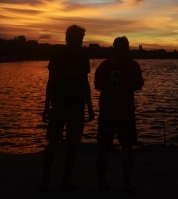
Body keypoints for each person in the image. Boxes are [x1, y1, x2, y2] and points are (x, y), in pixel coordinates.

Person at [41, 25, 95, 192]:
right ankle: (65, 180)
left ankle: (46, 180)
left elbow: (50, 82)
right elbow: (85, 84)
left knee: (53, 144)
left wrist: (46, 106)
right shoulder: (81, 57)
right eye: (80, 39)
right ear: (77, 39)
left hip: (59, 105)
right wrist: (90, 107)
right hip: (74, 106)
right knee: (71, 145)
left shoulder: (57, 55)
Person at [95, 36, 144, 192]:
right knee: (127, 147)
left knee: (103, 148)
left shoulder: (104, 65)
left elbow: (97, 85)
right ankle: (127, 182)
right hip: (125, 111)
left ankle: (102, 181)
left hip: (106, 111)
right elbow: (138, 85)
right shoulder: (132, 65)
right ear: (126, 48)